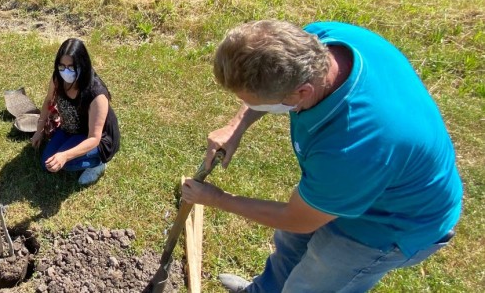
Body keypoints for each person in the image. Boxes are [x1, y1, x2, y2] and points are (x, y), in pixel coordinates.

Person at [181, 20, 463, 292]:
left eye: (256, 103)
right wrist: (236, 125)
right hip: (353, 183)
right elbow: (274, 87)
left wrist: (217, 199)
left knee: (309, 284)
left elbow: (298, 219)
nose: (250, 107)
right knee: (289, 248)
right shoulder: (319, 42)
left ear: (302, 93)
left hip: (390, 222)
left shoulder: (353, 146)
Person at [31, 38, 120, 185]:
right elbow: (48, 101)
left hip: (95, 138)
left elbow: (94, 138)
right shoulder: (58, 78)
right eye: (62, 66)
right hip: (70, 128)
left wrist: (65, 156)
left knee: (65, 163)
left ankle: (98, 164)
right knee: (47, 163)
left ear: (82, 65)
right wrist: (39, 130)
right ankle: (71, 150)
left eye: (71, 67)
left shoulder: (96, 94)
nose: (66, 71)